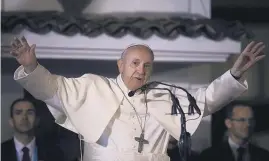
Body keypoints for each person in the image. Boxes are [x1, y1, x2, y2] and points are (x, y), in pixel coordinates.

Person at [10, 36, 265, 161]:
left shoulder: (164, 96)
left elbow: (206, 101)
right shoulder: (92, 87)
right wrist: (32, 68)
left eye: (147, 65)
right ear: (120, 65)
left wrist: (235, 73)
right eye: (134, 63)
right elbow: (52, 89)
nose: (141, 70)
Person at [199, 102, 269, 161]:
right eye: (242, 120)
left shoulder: (264, 156)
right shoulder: (209, 156)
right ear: (228, 123)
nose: (248, 124)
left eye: (251, 120)